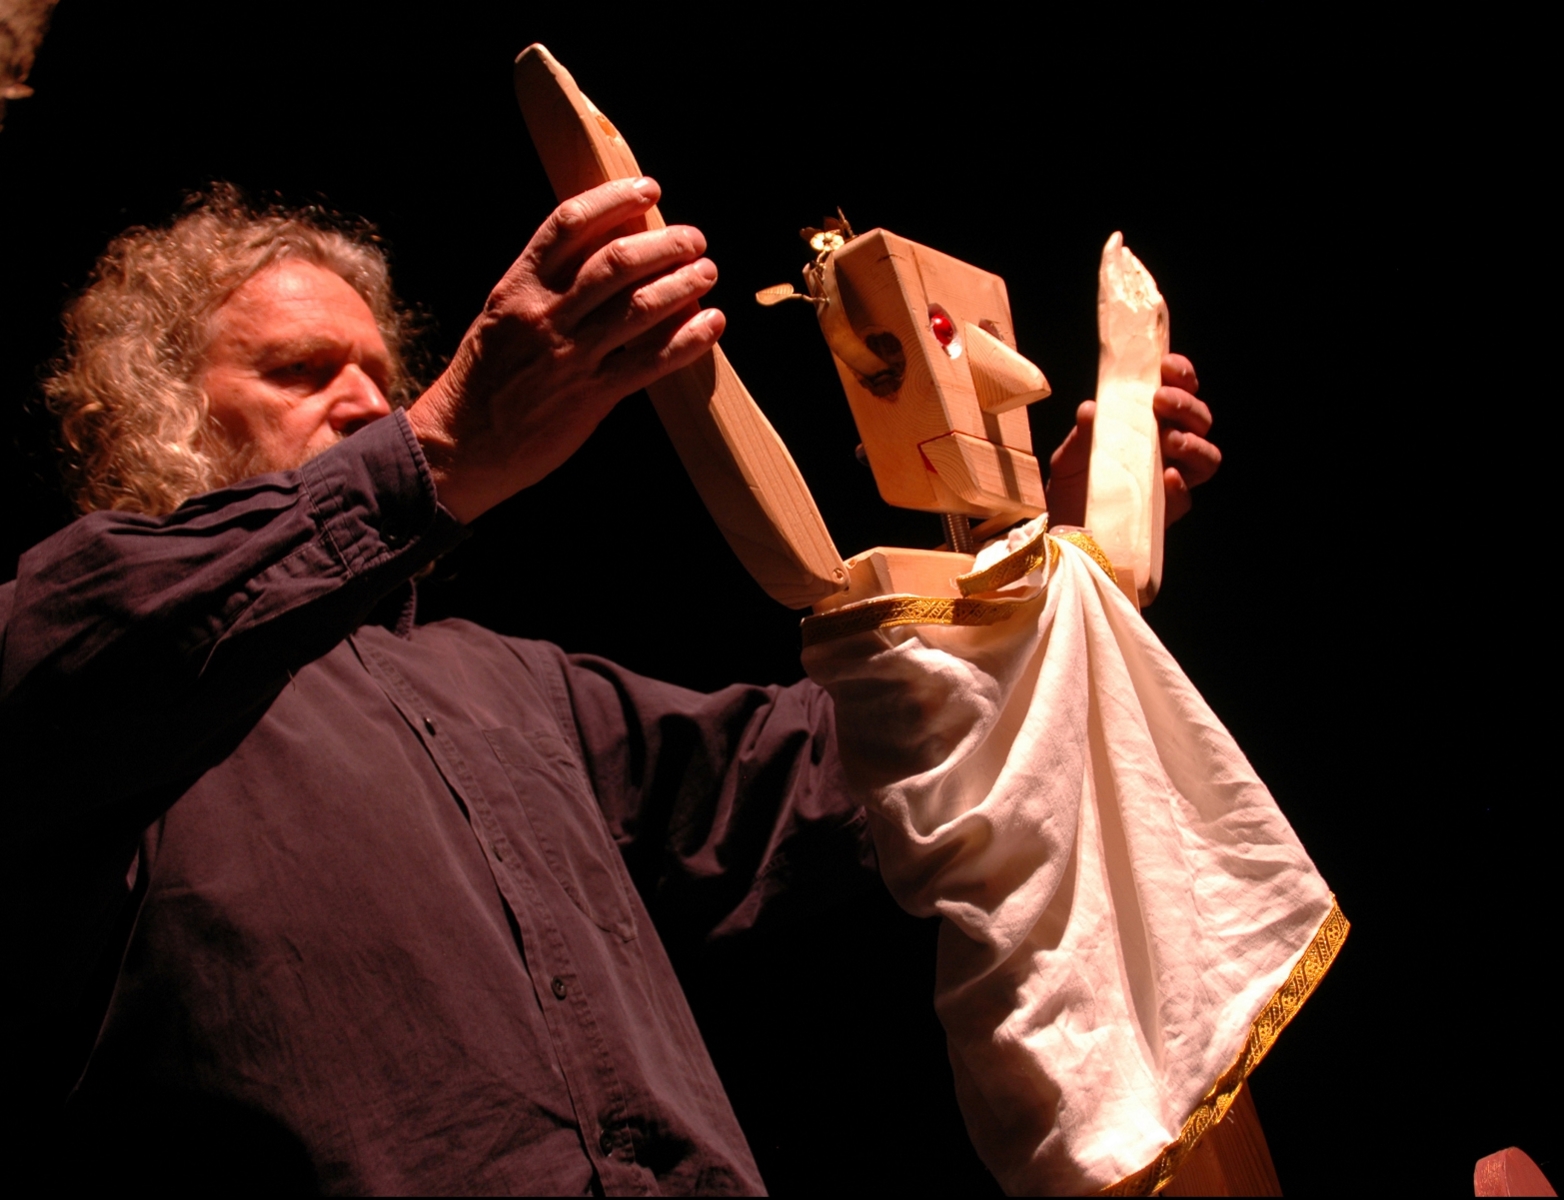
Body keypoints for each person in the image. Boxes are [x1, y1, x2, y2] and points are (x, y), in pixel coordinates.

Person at [4, 179, 1219, 1193]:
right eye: (300, 369)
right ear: (160, 410)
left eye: (381, 371)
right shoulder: (79, 631)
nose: (370, 401)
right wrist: (437, 450)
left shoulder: (507, 682)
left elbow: (849, 763)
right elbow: (78, 655)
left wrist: (1043, 577)